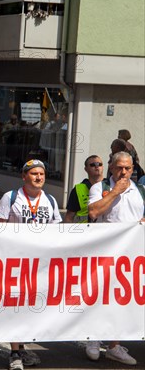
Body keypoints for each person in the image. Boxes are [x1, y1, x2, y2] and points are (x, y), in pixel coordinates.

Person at [0, 159, 61, 370]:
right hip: (15, 262)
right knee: (16, 307)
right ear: (24, 176)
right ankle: (14, 352)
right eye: (33, 174)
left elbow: (57, 232)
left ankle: (21, 348)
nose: (38, 177)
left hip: (40, 265)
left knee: (30, 308)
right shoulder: (11, 197)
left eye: (41, 174)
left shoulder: (50, 200)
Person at [85, 151, 143, 366]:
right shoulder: (99, 188)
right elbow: (93, 212)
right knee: (98, 297)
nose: (124, 172)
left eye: (128, 168)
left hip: (130, 256)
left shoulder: (140, 190)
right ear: (111, 168)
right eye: (119, 167)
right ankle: (92, 338)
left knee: (121, 300)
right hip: (103, 254)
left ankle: (114, 346)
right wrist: (115, 192)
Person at [63, 155, 104, 223]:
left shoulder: (110, 185)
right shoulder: (78, 189)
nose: (97, 166)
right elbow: (69, 217)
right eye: (93, 165)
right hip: (85, 231)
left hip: (106, 231)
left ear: (103, 167)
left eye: (99, 164)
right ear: (86, 169)